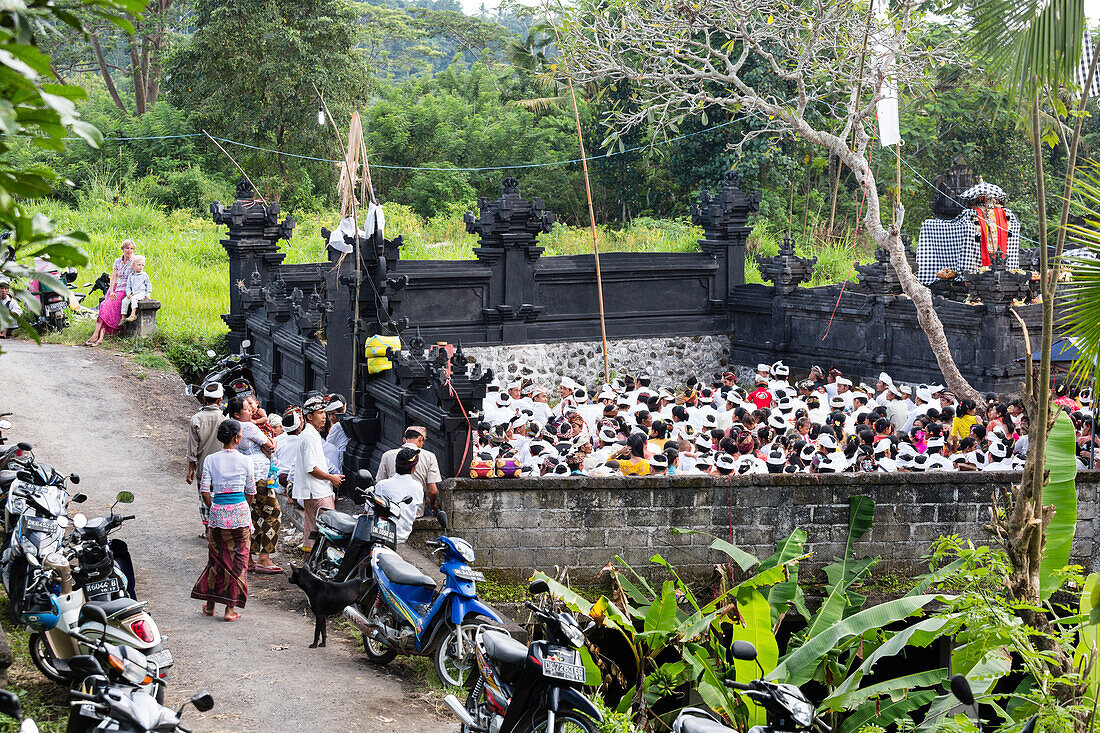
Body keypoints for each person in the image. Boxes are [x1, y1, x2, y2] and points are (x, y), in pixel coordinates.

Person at [192, 419, 255, 622]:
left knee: (217, 559)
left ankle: (210, 605)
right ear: (237, 438)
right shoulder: (246, 461)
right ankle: (229, 609)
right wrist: (242, 506)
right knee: (238, 560)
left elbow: (204, 491)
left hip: (217, 514)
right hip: (240, 513)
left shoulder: (211, 459)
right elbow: (251, 491)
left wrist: (215, 507)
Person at [226, 398, 280, 572]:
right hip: (259, 476)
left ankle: (248, 557)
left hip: (244, 477)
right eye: (246, 409)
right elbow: (269, 444)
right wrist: (274, 442)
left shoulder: (231, 426)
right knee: (273, 513)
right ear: (237, 414)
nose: (251, 411)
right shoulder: (248, 427)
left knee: (253, 515)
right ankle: (264, 558)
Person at [294, 396, 344, 553]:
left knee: (312, 528)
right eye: (320, 413)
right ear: (309, 416)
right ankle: (323, 560)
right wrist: (332, 478)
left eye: (325, 413)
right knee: (329, 527)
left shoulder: (312, 434)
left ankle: (309, 562)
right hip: (317, 490)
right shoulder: (309, 437)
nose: (324, 417)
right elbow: (311, 468)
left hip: (315, 490)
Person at [187, 382, 226, 531]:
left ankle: (208, 528)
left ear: (204, 398)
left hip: (203, 468)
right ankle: (220, 526)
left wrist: (190, 469)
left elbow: (192, 448)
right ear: (220, 400)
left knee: (205, 497)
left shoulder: (196, 419)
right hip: (222, 469)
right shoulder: (224, 418)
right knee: (220, 497)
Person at [376, 426, 441, 513]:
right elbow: (433, 491)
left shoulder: (387, 455)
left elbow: (379, 483)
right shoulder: (429, 457)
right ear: (421, 439)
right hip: (416, 511)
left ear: (404, 440)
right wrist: (433, 503)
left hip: (391, 510)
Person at [86, 238, 136, 347]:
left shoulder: (134, 261)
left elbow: (138, 276)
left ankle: (96, 335)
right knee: (104, 306)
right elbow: (113, 277)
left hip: (125, 289)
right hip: (115, 288)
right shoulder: (117, 261)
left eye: (131, 249)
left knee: (105, 306)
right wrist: (111, 290)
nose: (129, 251)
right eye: (127, 248)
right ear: (123, 249)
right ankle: (100, 337)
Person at [375, 447, 424, 543]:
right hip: (403, 535)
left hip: (382, 534)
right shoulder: (418, 487)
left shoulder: (382, 485)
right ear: (413, 468)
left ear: (396, 465)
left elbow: (370, 510)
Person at [122, 255, 152, 322]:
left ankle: (133, 315)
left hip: (141, 293)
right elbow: (128, 286)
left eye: (142, 265)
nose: (141, 267)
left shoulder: (144, 275)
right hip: (133, 293)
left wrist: (147, 294)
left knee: (134, 298)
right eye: (139, 265)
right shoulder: (131, 276)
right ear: (133, 266)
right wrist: (128, 293)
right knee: (124, 300)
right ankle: (123, 317)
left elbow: (148, 285)